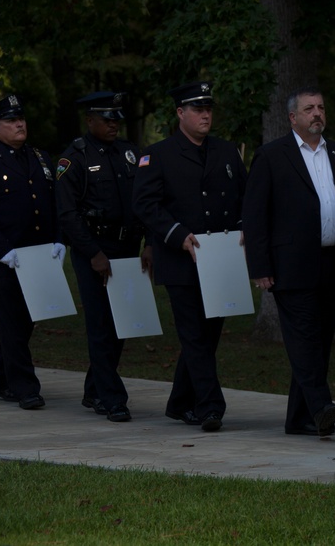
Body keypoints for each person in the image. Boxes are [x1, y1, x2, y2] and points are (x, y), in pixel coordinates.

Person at [243, 86, 335, 437]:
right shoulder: (271, 156)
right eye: (309, 108)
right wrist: (260, 267)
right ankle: (321, 406)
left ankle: (299, 417)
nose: (317, 113)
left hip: (333, 262)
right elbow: (255, 217)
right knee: (302, 338)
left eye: (321, 107)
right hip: (290, 264)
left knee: (322, 339)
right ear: (292, 117)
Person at [132, 81, 247, 433]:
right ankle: (210, 406)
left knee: (208, 337)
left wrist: (244, 227)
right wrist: (178, 235)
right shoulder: (158, 154)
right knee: (194, 335)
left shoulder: (227, 152)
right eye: (197, 109)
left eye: (209, 108)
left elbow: (246, 196)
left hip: (222, 259)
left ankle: (179, 401)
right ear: (180, 113)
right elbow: (145, 205)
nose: (205, 115)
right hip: (182, 259)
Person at [56, 91, 150, 422]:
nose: (113, 125)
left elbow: (146, 200)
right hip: (93, 251)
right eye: (106, 119)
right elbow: (68, 214)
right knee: (100, 325)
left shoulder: (129, 153)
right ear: (90, 120)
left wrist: (149, 242)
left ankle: (94, 388)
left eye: (116, 119)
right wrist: (93, 253)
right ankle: (112, 398)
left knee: (121, 325)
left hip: (127, 249)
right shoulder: (75, 158)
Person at [0, 95, 60, 410]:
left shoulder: (40, 157)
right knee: (12, 323)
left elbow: (55, 203)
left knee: (27, 321)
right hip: (6, 258)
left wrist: (59, 239)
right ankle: (24, 387)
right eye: (11, 121)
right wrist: (1, 249)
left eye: (21, 119)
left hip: (39, 257)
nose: (19, 125)